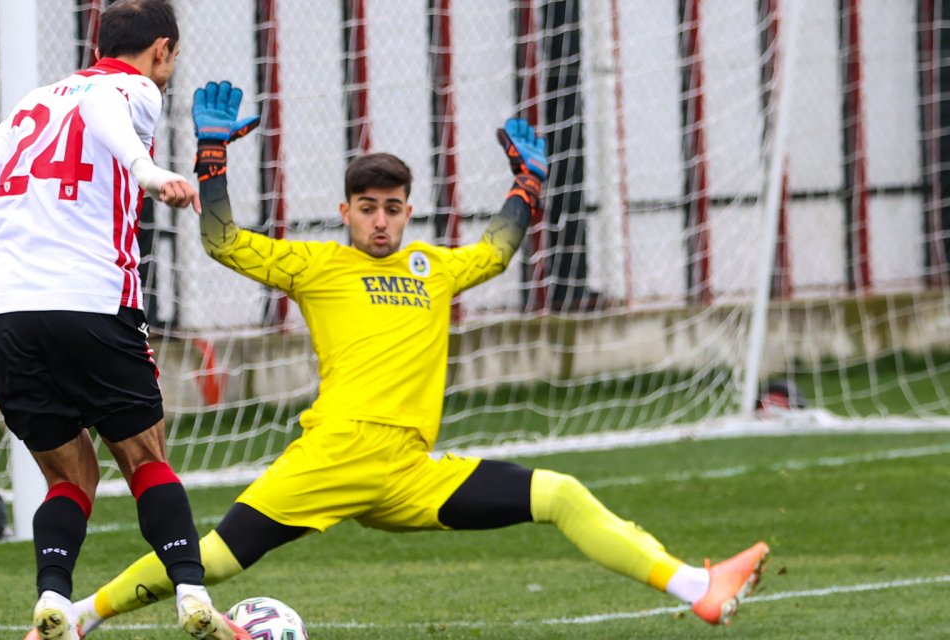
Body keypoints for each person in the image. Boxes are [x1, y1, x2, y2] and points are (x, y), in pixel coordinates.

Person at [70, 81, 770, 634]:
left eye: (393, 207)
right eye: (368, 207)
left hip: (410, 472)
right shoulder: (316, 267)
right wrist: (213, 160)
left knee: (559, 494)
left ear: (409, 212)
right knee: (214, 560)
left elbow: (493, 253)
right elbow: (223, 242)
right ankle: (79, 617)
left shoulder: (431, 267)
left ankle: (698, 590)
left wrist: (525, 191)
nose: (380, 219)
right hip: (335, 458)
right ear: (345, 212)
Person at [0, 4, 247, 639]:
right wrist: (145, 169)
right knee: (144, 457)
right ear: (162, 49)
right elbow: (103, 109)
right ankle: (191, 592)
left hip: (8, 317)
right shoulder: (131, 88)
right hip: (91, 300)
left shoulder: (33, 102)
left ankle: (53, 599)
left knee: (70, 474)